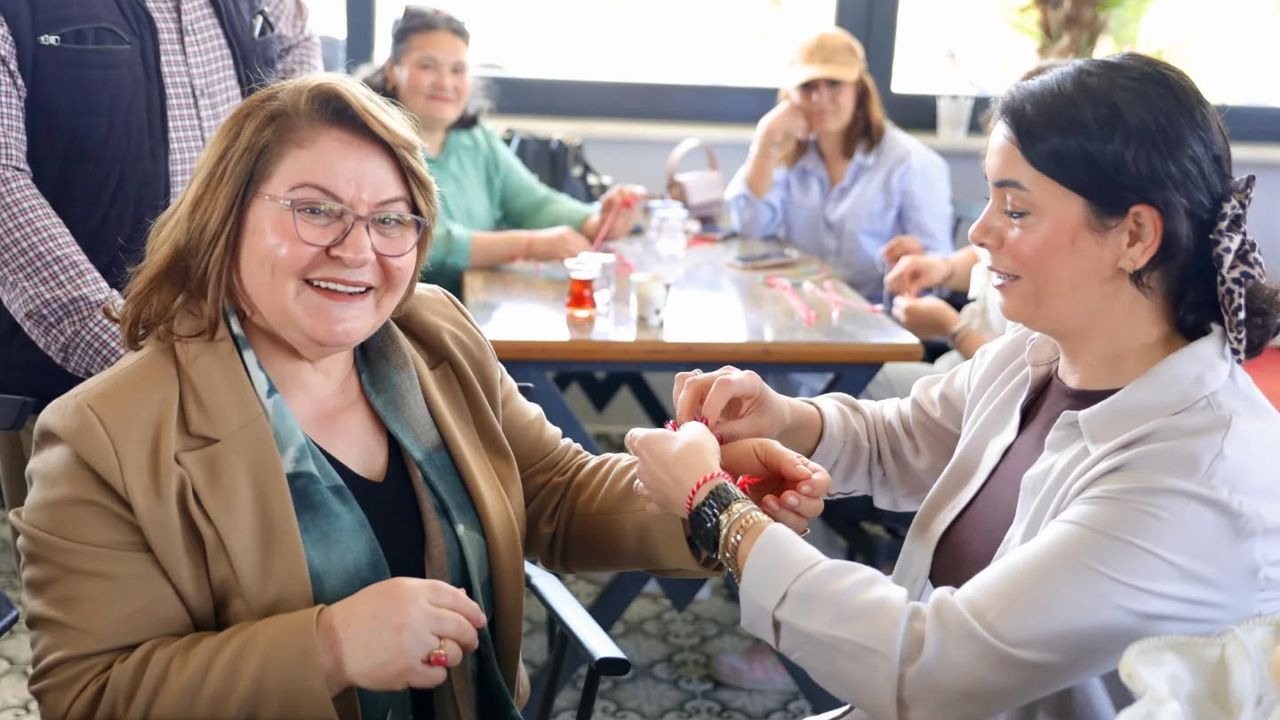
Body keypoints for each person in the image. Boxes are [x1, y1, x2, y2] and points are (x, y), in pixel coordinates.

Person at [11, 74, 824, 720]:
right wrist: (326, 648)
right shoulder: (101, 437)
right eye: (316, 210)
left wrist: (704, 492)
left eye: (392, 220)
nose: (358, 249)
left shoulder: (432, 332)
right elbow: (89, 697)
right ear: (224, 219)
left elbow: (553, 491)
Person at [626, 53, 1280, 719]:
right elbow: (903, 436)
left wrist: (717, 511)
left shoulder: (1193, 475)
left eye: (1015, 209)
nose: (978, 232)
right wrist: (782, 419)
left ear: (1135, 235)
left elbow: (932, 669)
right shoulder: (1038, 356)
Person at [0, 0, 320, 511]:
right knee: (96, 586)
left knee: (262, 583)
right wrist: (141, 355)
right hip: (78, 397)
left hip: (257, 378)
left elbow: (309, 150)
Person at [363, 6, 643, 296]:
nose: (445, 82)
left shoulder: (477, 140)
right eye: (427, 66)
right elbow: (420, 241)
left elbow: (533, 203)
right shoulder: (374, 146)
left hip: (470, 308)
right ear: (392, 70)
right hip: (403, 315)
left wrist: (596, 222)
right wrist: (527, 245)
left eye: (458, 70)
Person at [725, 27, 953, 301]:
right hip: (805, 306)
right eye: (807, 86)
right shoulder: (789, 155)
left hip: (881, 321)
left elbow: (941, 274)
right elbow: (751, 228)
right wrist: (765, 142)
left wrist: (914, 262)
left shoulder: (911, 162)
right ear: (790, 95)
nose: (819, 98)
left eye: (834, 83)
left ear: (859, 89)